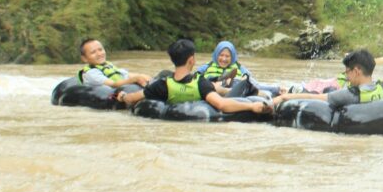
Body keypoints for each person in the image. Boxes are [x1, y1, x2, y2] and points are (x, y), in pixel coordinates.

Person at [119, 39, 271, 115]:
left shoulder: (161, 85)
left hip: (174, 111)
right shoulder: (200, 83)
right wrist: (251, 106)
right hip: (202, 111)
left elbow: (132, 98)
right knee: (245, 84)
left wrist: (122, 95)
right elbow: (222, 105)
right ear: (192, 59)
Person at [272, 49, 383, 108]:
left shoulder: (350, 95)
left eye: (347, 71)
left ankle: (290, 90)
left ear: (357, 71)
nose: (346, 76)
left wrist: (283, 97)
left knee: (327, 91)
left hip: (332, 98)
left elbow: (312, 98)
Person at [195, 40, 280, 97]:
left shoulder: (238, 67)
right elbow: (196, 76)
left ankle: (278, 90)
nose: (224, 59)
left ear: (232, 57)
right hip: (215, 85)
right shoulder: (208, 66)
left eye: (227, 56)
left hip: (235, 85)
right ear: (216, 55)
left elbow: (248, 76)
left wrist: (245, 77)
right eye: (221, 55)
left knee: (250, 83)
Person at [78, 38, 151, 90]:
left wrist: (141, 76)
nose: (99, 54)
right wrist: (135, 79)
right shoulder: (92, 73)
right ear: (84, 58)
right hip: (108, 93)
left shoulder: (108, 65)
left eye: (100, 50)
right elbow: (113, 84)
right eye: (93, 52)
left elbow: (125, 74)